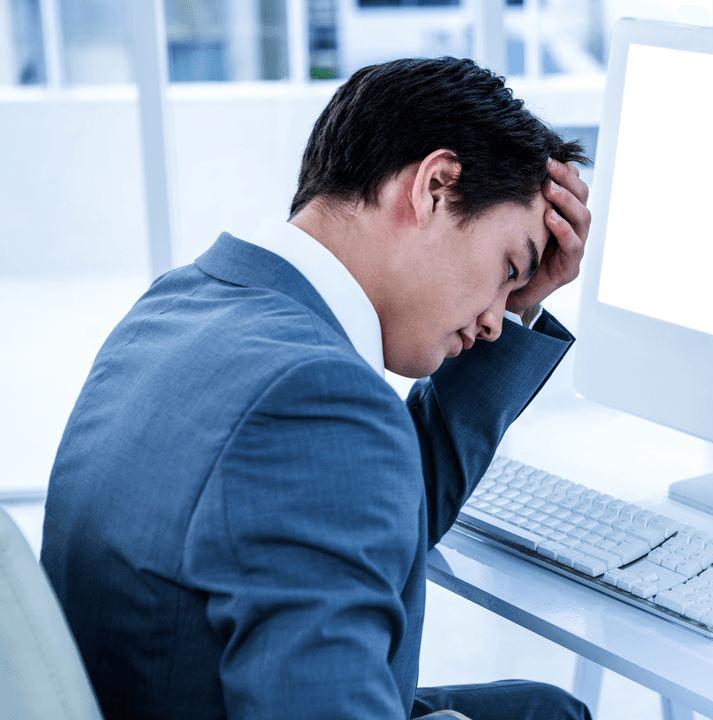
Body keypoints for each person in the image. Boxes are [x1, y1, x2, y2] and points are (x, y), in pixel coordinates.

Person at [40, 57, 592, 720]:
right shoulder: (315, 398)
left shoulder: (180, 304)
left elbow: (369, 511)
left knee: (543, 711)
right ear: (436, 187)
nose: (489, 322)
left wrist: (513, 303)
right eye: (508, 269)